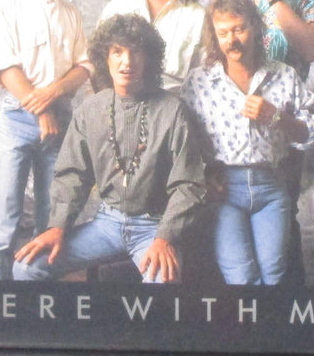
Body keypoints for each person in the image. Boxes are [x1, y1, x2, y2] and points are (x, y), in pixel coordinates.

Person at [13, 14, 207, 283]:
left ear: (148, 59)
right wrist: (57, 226)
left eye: (135, 52)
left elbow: (189, 185)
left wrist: (166, 236)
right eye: (117, 52)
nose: (127, 62)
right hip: (106, 224)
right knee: (26, 267)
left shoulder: (172, 110)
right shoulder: (90, 110)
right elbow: (72, 175)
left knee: (163, 282)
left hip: (155, 227)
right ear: (106, 58)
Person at [181, 0, 314, 285]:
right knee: (242, 278)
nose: (232, 40)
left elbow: (309, 133)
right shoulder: (199, 82)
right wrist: (203, 176)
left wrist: (277, 117)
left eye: (239, 29)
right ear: (214, 36)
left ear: (255, 27)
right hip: (224, 190)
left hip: (271, 187)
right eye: (223, 33)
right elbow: (181, 142)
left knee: (274, 275)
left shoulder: (284, 76)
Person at [0, 0, 93, 280]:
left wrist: (55, 93)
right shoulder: (9, 0)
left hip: (61, 124)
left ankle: (38, 298)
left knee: (50, 223)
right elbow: (4, 65)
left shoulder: (71, 14)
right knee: (5, 224)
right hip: (18, 119)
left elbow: (84, 66)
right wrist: (42, 110)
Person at [230, 0, 314, 286]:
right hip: (239, 118)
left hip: (285, 120)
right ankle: (246, 295)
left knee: (281, 209)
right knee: (237, 210)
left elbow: (312, 48)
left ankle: (288, 298)